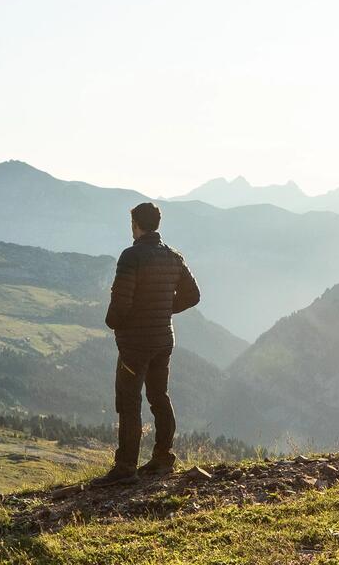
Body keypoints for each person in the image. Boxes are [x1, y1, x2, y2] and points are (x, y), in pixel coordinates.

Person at [94, 202, 200, 485]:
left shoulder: (131, 257)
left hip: (135, 344)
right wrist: (163, 309)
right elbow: (193, 295)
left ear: (136, 225)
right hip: (163, 339)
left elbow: (121, 302)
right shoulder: (174, 257)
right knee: (159, 396)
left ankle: (125, 467)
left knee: (129, 402)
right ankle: (163, 457)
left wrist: (113, 321)